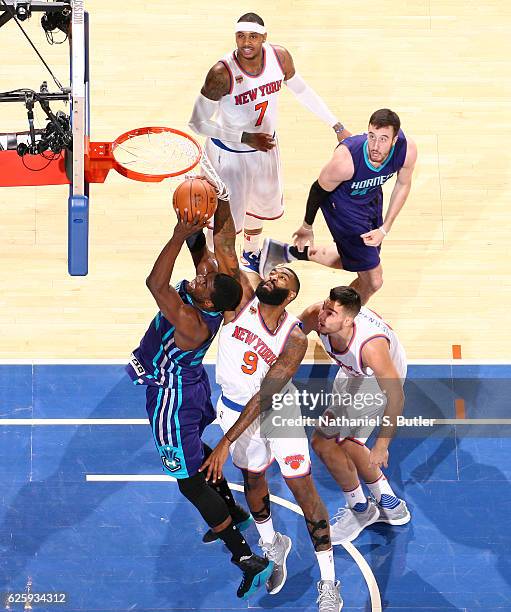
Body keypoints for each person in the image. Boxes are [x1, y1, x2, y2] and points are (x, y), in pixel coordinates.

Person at [125, 201, 274, 600]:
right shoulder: (207, 297)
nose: (200, 277)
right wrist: (191, 221)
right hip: (190, 388)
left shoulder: (191, 321)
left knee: (188, 483)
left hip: (171, 399)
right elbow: (199, 256)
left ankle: (247, 559)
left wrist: (176, 236)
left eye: (205, 283)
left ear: (208, 304)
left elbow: (154, 285)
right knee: (198, 455)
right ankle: (236, 513)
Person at [199, 254, 343, 608]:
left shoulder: (294, 338)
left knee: (302, 490)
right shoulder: (241, 302)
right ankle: (272, 542)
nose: (273, 277)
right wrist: (220, 199)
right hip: (233, 409)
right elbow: (225, 244)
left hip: (277, 412)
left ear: (290, 295)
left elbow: (266, 395)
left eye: (282, 279)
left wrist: (225, 441)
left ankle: (328, 582)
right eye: (273, 273)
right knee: (252, 481)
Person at [188, 11, 349, 271]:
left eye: (253, 36)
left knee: (258, 207)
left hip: (264, 148)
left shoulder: (279, 57)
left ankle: (251, 254)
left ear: (264, 37)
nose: (246, 42)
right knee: (223, 222)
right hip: (228, 155)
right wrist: (244, 137)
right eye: (241, 36)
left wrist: (336, 124)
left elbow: (302, 91)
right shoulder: (221, 73)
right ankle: (215, 266)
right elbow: (196, 123)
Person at [260, 109, 417, 304]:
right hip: (342, 206)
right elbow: (318, 189)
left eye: (383, 139)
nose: (375, 146)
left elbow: (403, 184)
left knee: (357, 260)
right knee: (373, 281)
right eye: (371, 137)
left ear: (394, 140)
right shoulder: (345, 161)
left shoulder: (406, 150)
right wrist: (307, 227)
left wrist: (385, 228)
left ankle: (285, 252)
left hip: (371, 201)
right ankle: (330, 319)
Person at [298, 286, 411, 544]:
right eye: (324, 307)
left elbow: (397, 398)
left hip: (376, 377)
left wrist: (382, 445)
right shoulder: (316, 315)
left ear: (348, 320)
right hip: (353, 373)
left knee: (336, 441)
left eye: (331, 313)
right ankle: (386, 504)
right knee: (325, 441)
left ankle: (364, 510)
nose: (322, 316)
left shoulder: (370, 348)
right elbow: (288, 338)